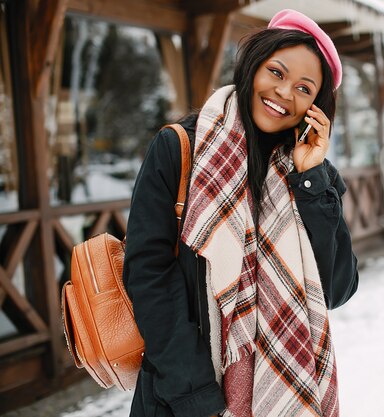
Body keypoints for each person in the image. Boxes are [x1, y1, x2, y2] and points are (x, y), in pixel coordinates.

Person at [123, 9, 359, 417]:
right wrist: (196, 397)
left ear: (315, 107)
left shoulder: (313, 177)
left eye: (304, 88)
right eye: (277, 72)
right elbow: (149, 277)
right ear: (253, 67)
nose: (285, 93)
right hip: (184, 398)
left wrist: (311, 180)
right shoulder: (180, 148)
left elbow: (337, 289)